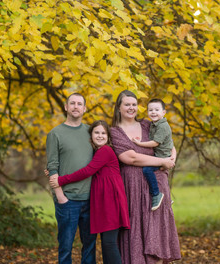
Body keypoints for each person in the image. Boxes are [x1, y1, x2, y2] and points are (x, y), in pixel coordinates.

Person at [110, 90, 181, 264]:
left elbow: (167, 141)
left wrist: (172, 156)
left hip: (155, 187)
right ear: (119, 107)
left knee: (155, 232)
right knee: (135, 230)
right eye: (127, 104)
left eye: (134, 104)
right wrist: (161, 161)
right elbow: (130, 158)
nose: (131, 108)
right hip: (131, 188)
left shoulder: (147, 125)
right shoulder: (114, 131)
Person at [49, 120, 130, 264]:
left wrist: (61, 180)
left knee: (109, 243)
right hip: (103, 202)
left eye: (103, 133)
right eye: (96, 132)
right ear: (91, 135)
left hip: (111, 201)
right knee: (106, 243)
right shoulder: (96, 152)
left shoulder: (105, 150)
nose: (100, 136)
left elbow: (87, 171)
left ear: (108, 137)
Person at [46, 93, 97, 264]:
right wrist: (60, 196)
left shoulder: (91, 132)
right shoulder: (55, 134)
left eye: (79, 104)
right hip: (67, 200)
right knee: (65, 247)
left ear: (84, 108)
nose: (76, 106)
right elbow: (52, 166)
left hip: (91, 199)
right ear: (66, 107)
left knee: (90, 247)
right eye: (72, 103)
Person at [132, 98, 175, 211]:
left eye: (157, 110)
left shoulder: (162, 126)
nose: (153, 112)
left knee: (147, 170)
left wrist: (139, 144)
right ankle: (167, 198)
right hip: (161, 155)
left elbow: (155, 143)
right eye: (150, 110)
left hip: (162, 156)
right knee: (157, 174)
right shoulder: (153, 124)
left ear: (163, 112)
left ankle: (156, 194)